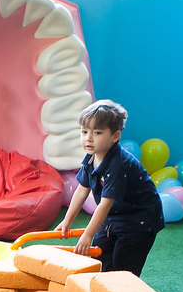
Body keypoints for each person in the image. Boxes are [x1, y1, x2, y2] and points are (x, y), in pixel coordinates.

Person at [59, 99, 164, 276]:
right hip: (113, 216)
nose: (88, 138)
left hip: (139, 220)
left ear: (115, 136)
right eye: (84, 132)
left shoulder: (118, 164)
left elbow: (105, 204)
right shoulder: (92, 157)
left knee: (123, 268)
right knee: (101, 258)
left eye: (97, 133)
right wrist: (67, 220)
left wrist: (88, 234)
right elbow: (82, 189)